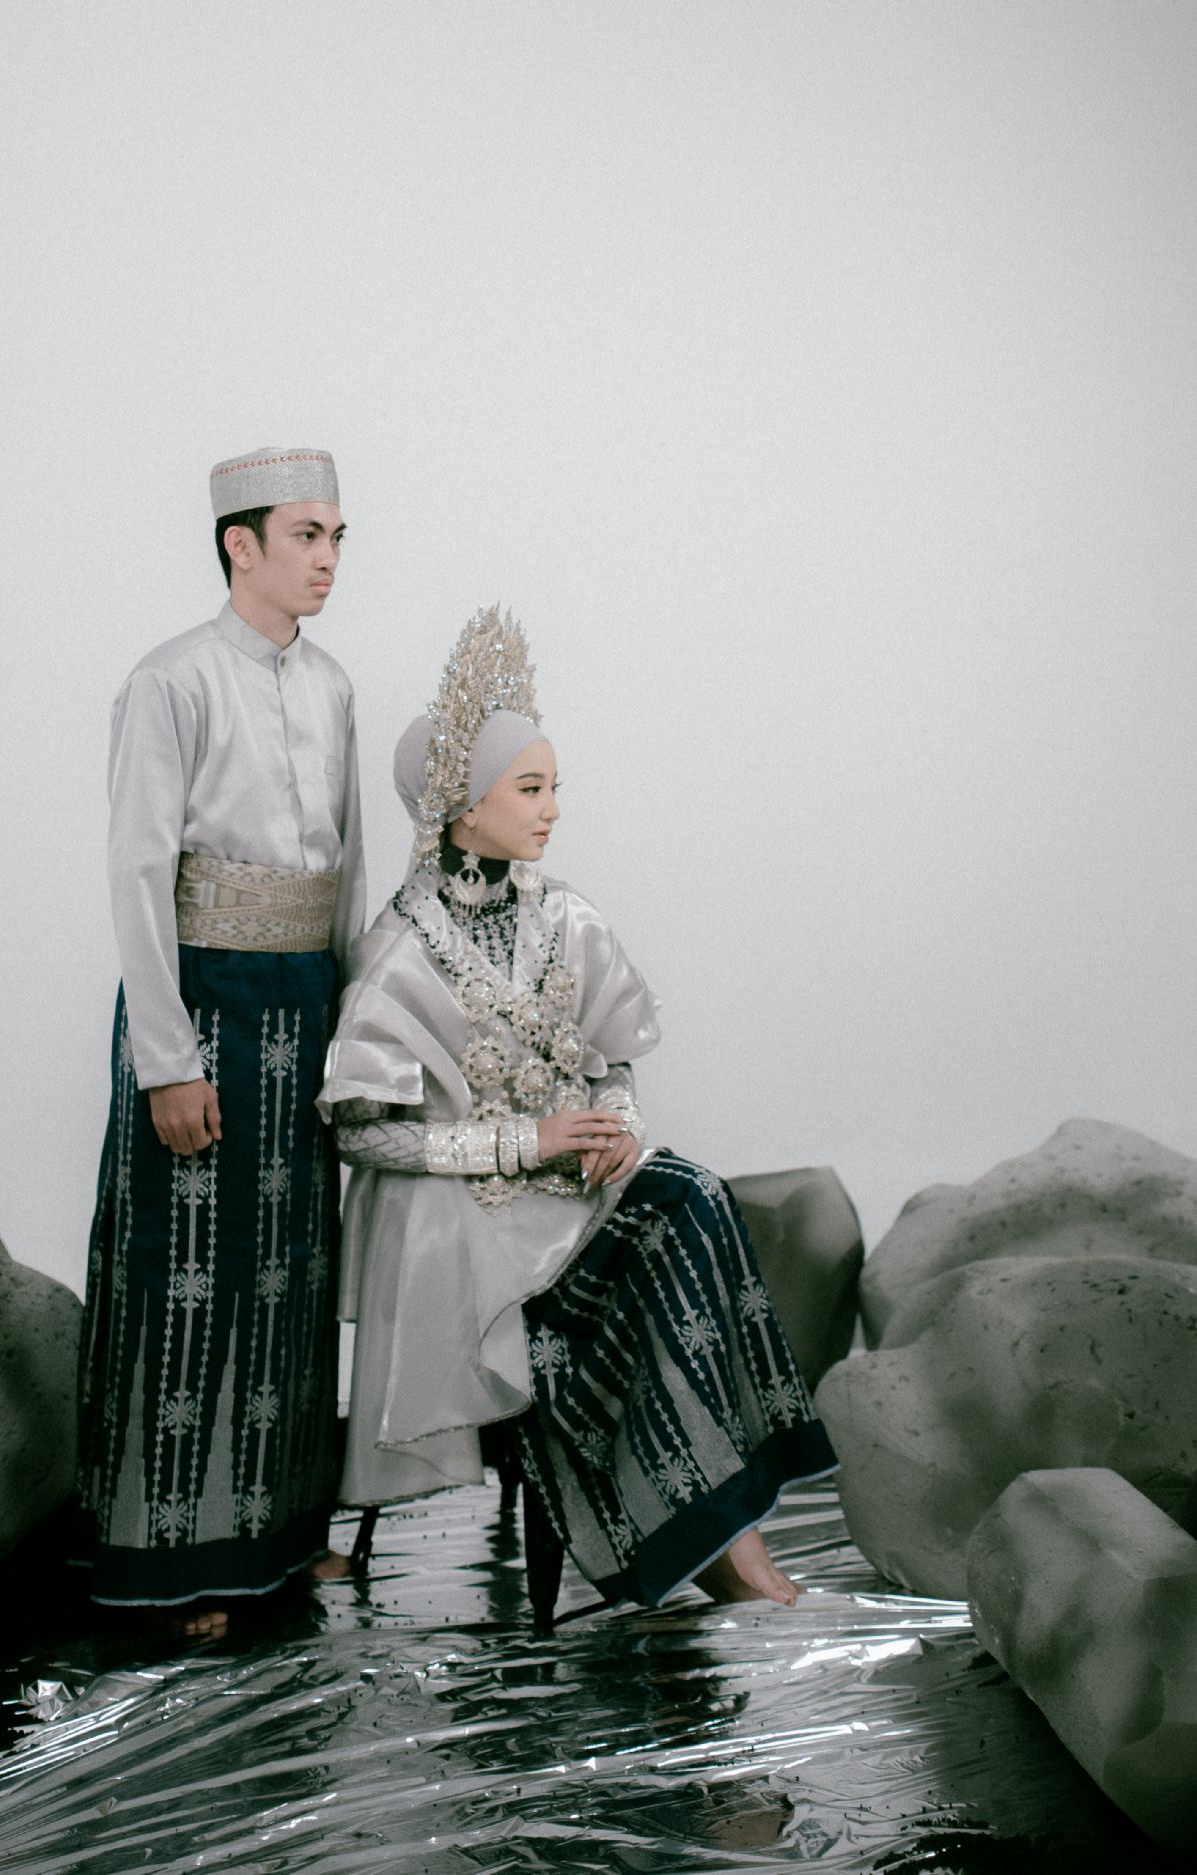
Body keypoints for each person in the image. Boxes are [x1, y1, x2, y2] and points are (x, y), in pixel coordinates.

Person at [318, 606, 835, 1613]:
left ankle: (726, 1535)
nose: (553, 809)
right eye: (531, 788)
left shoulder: (563, 916)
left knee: (690, 1195)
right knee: (676, 1222)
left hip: (569, 1196)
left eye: (554, 786)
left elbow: (611, 1063)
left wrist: (617, 1129)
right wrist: (529, 1139)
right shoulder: (399, 953)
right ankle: (729, 1555)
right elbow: (364, 1130)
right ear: (464, 806)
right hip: (468, 1224)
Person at [75, 446, 365, 1637]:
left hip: (307, 1003)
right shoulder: (172, 680)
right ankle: (174, 1558)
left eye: (338, 536)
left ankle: (280, 1534)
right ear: (241, 545)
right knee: (187, 1266)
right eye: (306, 534)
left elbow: (348, 870)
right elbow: (138, 870)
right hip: (202, 1003)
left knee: (293, 1268)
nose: (329, 558)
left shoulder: (335, 687)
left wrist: (359, 1036)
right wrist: (168, 1060)